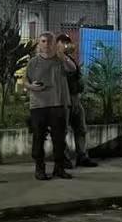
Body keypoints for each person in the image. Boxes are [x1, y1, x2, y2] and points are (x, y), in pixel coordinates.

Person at [24, 32, 75, 181]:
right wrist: (32, 86)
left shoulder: (60, 60)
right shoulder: (33, 62)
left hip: (57, 104)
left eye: (49, 42)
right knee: (39, 137)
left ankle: (59, 168)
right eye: (43, 41)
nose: (46, 44)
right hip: (38, 105)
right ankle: (39, 168)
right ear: (39, 43)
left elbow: (72, 69)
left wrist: (63, 55)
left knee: (59, 138)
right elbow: (25, 82)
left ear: (54, 44)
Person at [56, 33, 97, 169]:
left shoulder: (69, 59)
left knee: (80, 129)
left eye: (67, 42)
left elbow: (75, 73)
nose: (66, 45)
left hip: (75, 99)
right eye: (63, 42)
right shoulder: (54, 60)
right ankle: (64, 158)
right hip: (62, 100)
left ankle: (82, 156)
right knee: (63, 131)